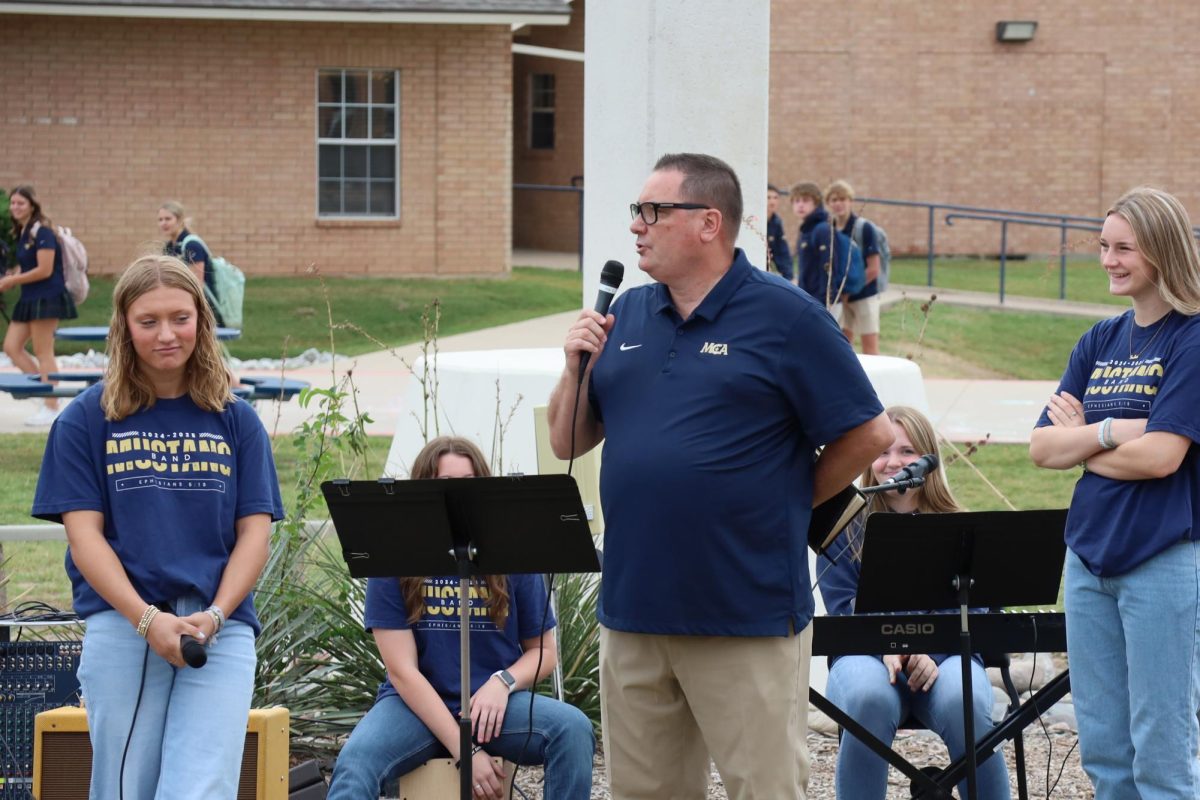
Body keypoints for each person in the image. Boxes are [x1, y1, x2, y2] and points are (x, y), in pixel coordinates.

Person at [547, 153, 892, 799]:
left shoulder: (786, 317)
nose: (638, 227)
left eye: (654, 211)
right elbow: (568, 438)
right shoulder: (627, 316)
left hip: (744, 613)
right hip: (635, 612)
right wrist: (574, 367)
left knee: (762, 789)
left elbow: (868, 434)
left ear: (709, 222)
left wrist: (789, 499)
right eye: (637, 212)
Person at [30, 253, 284, 798]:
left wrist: (216, 616)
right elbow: (84, 536)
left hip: (220, 629)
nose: (167, 334)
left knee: (201, 788)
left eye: (180, 318)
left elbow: (255, 535)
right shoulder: (84, 420)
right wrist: (147, 621)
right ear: (124, 326)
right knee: (127, 788)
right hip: (126, 626)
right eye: (149, 322)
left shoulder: (236, 420)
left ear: (202, 321)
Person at [1030, 186, 1200, 799]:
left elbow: (1162, 458)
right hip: (1087, 559)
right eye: (1104, 246)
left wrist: (1083, 442)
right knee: (1103, 748)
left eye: (1124, 248)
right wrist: (1107, 432)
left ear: (1161, 251)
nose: (1109, 259)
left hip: (1161, 559)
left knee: (1163, 748)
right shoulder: (1100, 340)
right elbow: (1042, 448)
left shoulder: (1192, 339)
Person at [327, 435, 594, 800]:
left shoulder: (513, 551)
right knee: (355, 763)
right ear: (422, 491)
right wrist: (466, 750)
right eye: (444, 486)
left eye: (468, 486)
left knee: (573, 730)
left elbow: (545, 651)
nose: (456, 498)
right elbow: (402, 672)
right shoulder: (393, 553)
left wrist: (503, 682)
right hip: (414, 706)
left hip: (491, 707)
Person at [817, 406, 1011, 800]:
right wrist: (891, 644)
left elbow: (976, 607)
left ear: (928, 458)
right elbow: (844, 607)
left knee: (964, 699)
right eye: (883, 451)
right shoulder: (843, 528)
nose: (893, 463)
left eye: (907, 452)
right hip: (865, 656)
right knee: (868, 698)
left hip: (948, 656)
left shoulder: (962, 527)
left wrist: (931, 650)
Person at [1, 185, 78, 426]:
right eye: (13, 203)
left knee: (44, 351)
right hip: (29, 298)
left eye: (20, 203)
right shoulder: (23, 231)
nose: (15, 207)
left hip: (47, 297)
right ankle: (46, 394)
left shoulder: (43, 231)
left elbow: (45, 269)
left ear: (32, 205)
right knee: (12, 347)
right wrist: (13, 275)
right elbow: (29, 265)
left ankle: (52, 404)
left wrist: (13, 279)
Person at [825, 180, 882, 354]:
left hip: (864, 293)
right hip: (841, 297)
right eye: (834, 200)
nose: (838, 204)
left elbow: (874, 268)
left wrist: (850, 290)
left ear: (850, 201)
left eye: (843, 199)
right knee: (843, 344)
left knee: (869, 346)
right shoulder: (829, 228)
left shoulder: (864, 228)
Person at [158, 200, 224, 326]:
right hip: (177, 304)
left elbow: (197, 284)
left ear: (179, 220)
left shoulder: (192, 245)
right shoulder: (168, 247)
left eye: (168, 219)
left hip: (201, 307)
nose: (163, 223)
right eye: (160, 219)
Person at [791, 180, 849, 311]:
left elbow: (829, 268)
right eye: (796, 201)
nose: (800, 205)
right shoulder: (806, 229)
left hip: (823, 303)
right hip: (809, 300)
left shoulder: (822, 229)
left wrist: (825, 303)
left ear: (816, 203)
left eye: (805, 200)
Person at [767, 183, 794, 281]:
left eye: (775, 198)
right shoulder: (754, 221)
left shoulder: (776, 223)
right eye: (768, 197)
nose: (772, 201)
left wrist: (789, 278)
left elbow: (782, 252)